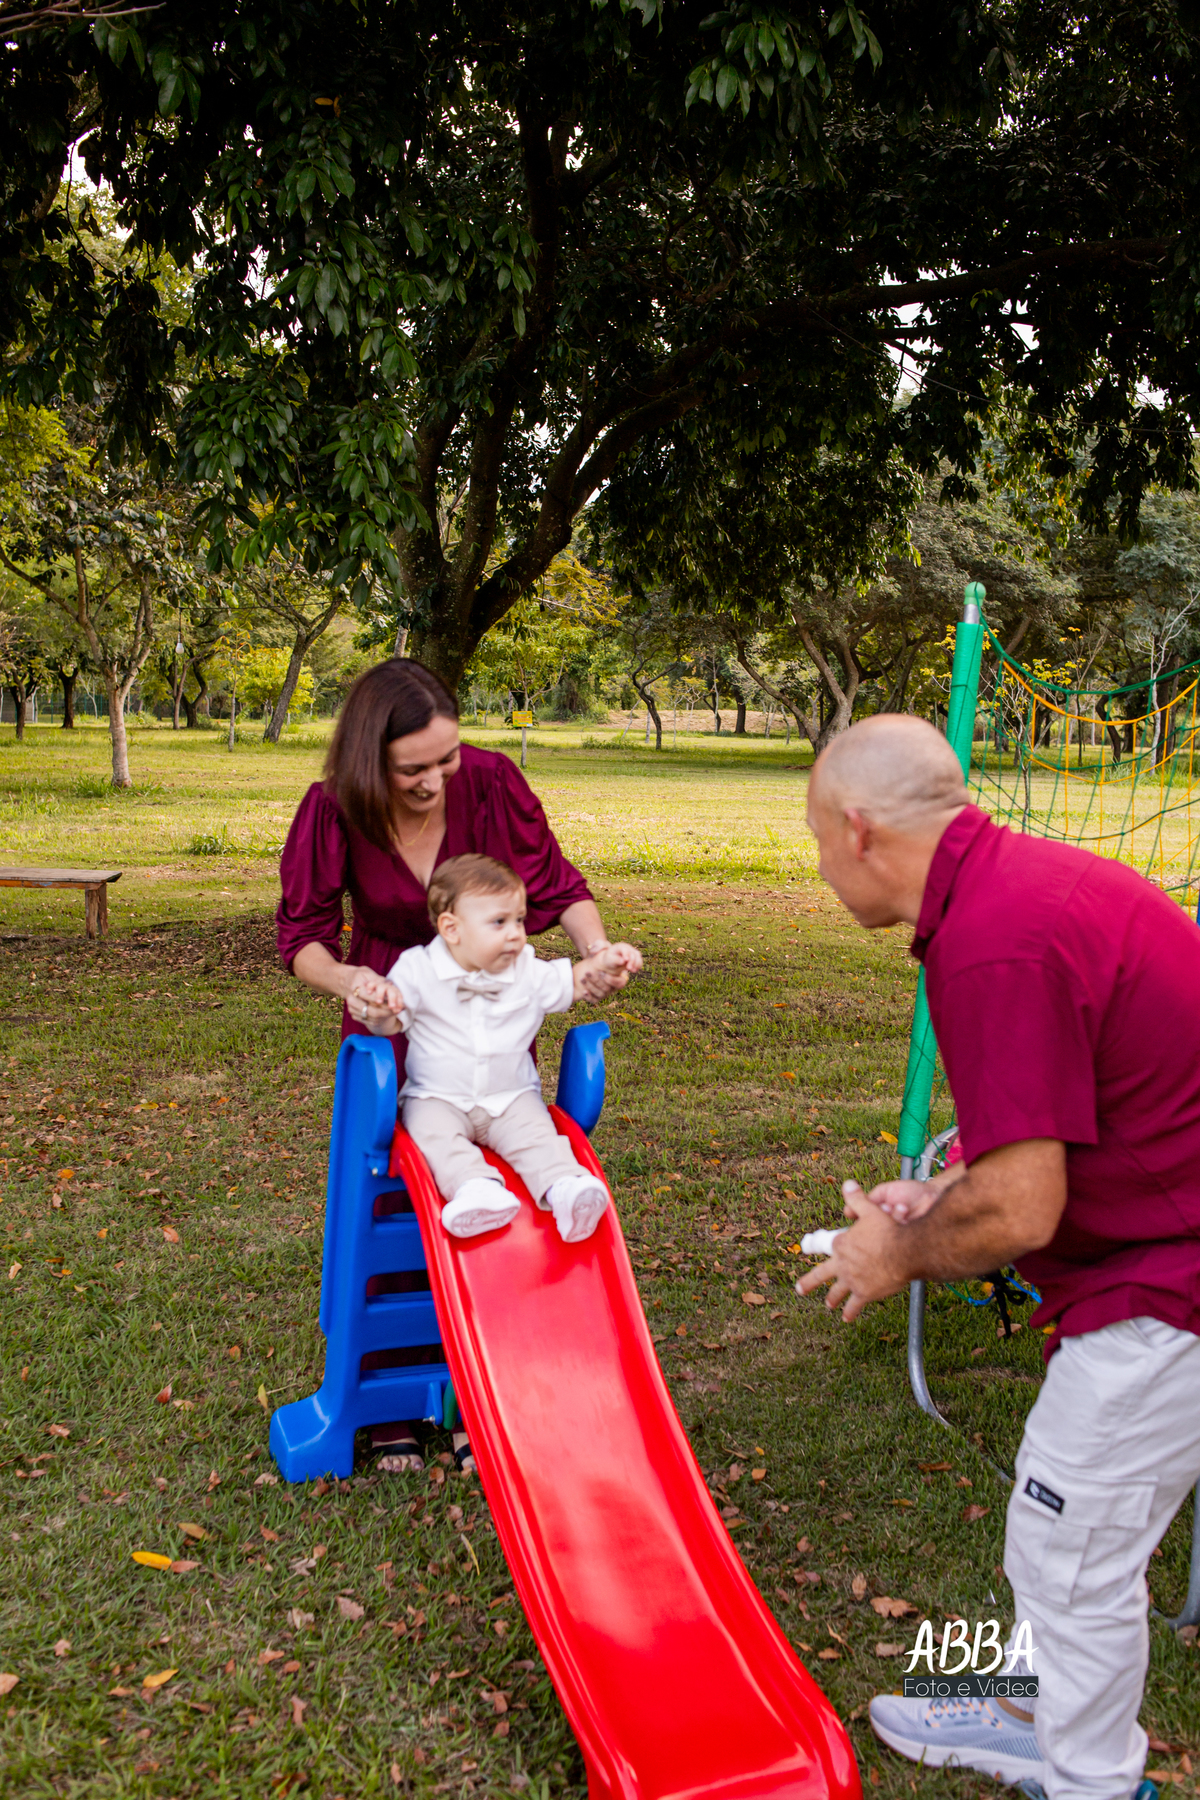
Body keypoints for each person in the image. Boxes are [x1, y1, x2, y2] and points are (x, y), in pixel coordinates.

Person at [798, 713, 1199, 1800]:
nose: (823, 867)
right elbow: (1057, 1115)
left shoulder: (993, 939)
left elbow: (1020, 1210)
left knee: (1072, 1550)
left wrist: (895, 1252)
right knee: (1055, 1519)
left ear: (859, 830)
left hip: (1170, 1284)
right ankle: (1029, 1710)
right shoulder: (1014, 889)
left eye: (819, 840)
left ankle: (1094, 1782)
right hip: (1154, 1251)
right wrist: (944, 1192)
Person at [277, 658, 642, 1473]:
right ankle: (393, 1395)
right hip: (394, 1024)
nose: (438, 780)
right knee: (395, 1211)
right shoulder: (332, 807)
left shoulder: (491, 781)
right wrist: (353, 983)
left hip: (492, 1040)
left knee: (505, 1201)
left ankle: (486, 1392)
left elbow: (557, 885)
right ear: (370, 758)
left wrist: (596, 951)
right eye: (414, 768)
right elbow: (302, 937)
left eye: (447, 758)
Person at [357, 852, 636, 1240]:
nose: (516, 933)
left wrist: (607, 961)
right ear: (452, 929)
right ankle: (476, 1190)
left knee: (538, 1138)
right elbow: (390, 1022)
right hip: (438, 1097)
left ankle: (566, 1189)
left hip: (512, 1098)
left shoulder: (527, 969)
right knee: (433, 1137)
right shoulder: (417, 968)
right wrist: (378, 1009)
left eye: (519, 920)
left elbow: (576, 980)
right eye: (499, 922)